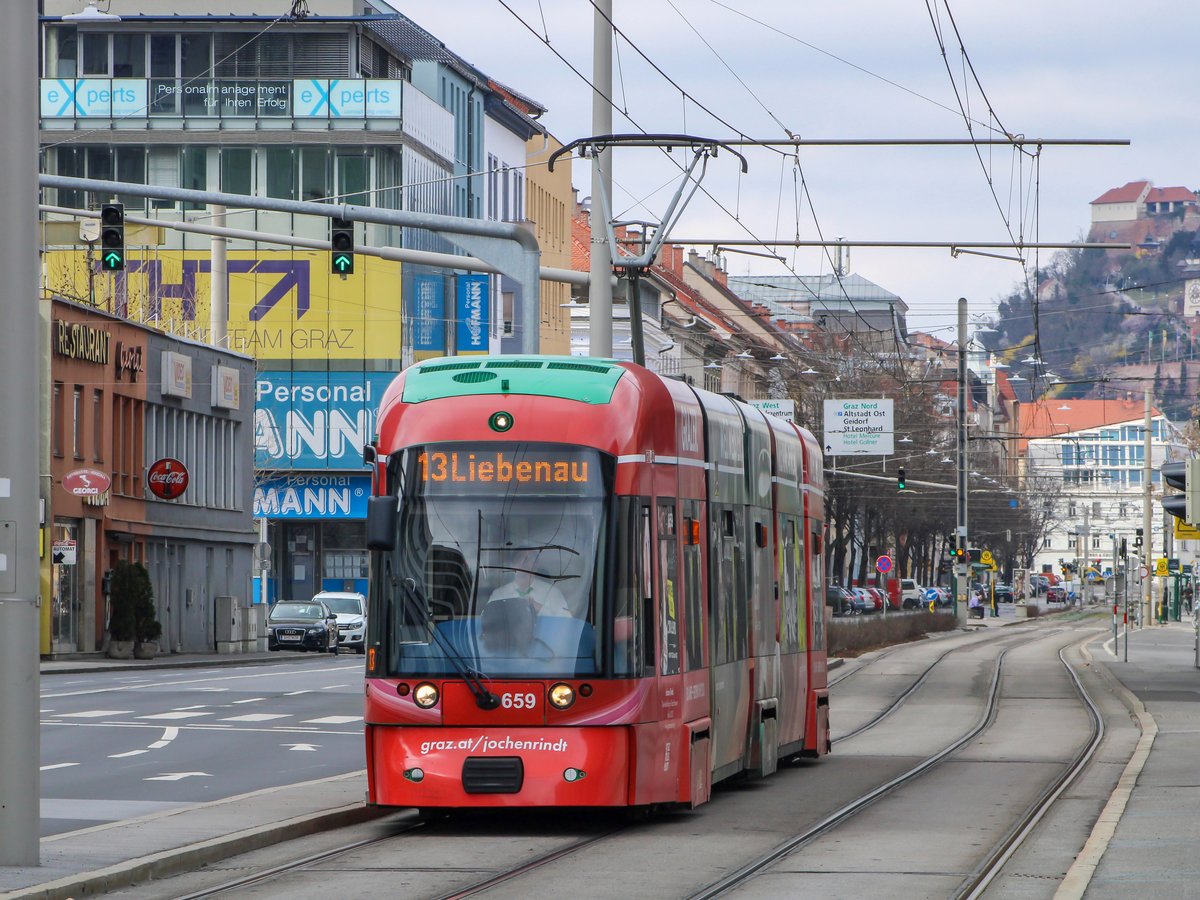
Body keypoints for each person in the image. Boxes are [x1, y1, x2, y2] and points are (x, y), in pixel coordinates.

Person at [487, 548, 572, 616]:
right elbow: (486, 621)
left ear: (536, 565)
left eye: (529, 559)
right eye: (520, 559)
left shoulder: (552, 593)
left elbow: (567, 622)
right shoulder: (499, 594)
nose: (524, 563)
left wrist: (540, 608)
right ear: (513, 565)